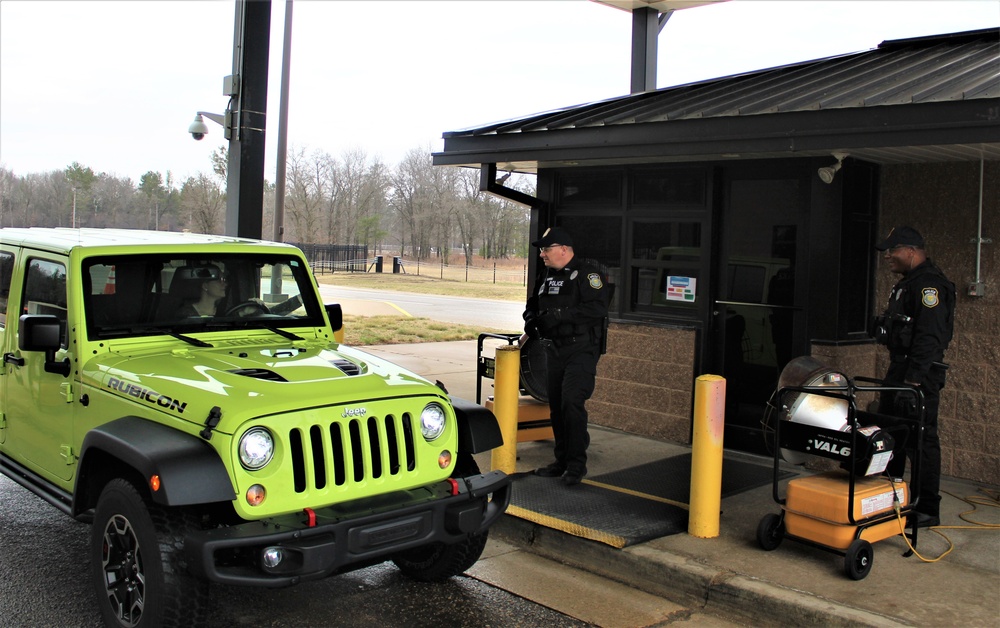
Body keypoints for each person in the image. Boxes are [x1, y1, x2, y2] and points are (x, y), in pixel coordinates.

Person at [872, 226, 955, 528]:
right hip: (901, 371)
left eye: (892, 251)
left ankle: (926, 508)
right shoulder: (908, 283)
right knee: (891, 433)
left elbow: (930, 338)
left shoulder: (929, 286)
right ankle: (887, 496)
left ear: (910, 251)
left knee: (921, 441)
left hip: (917, 375)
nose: (888, 257)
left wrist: (914, 381)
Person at [521, 227, 611, 486]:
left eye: (546, 249)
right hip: (554, 349)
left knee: (572, 403)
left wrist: (559, 316)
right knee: (557, 407)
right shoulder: (546, 276)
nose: (542, 255)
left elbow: (597, 308)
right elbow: (532, 306)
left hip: (581, 349)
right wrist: (531, 321)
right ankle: (560, 461)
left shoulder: (587, 274)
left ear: (564, 250)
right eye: (541, 250)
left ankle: (575, 465)